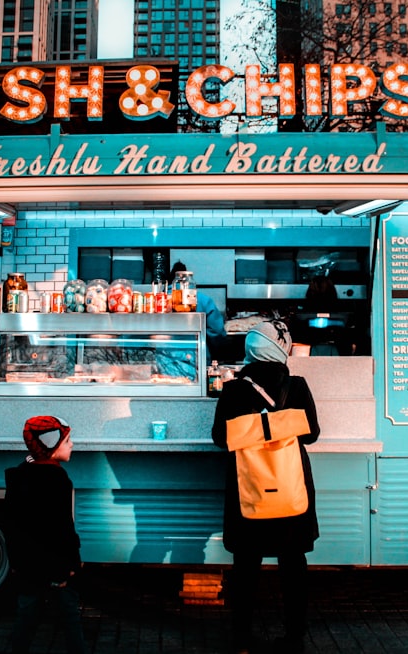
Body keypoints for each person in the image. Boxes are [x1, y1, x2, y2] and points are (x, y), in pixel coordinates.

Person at [211, 320, 320, 654]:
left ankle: (241, 638)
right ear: (280, 348)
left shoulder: (232, 389)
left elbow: (220, 438)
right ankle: (295, 637)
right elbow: (312, 433)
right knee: (293, 565)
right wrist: (280, 427)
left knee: (245, 567)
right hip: (290, 488)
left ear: (251, 348)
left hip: (250, 490)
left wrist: (253, 429)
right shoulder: (297, 386)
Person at [4, 416, 86, 654]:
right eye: (67, 440)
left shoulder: (20, 474)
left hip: (28, 566)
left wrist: (17, 562)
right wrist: (70, 564)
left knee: (26, 616)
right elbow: (62, 529)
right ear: (51, 445)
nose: (72, 445)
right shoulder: (57, 480)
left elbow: (12, 525)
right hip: (56, 567)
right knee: (70, 617)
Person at [170, 261, 228, 361]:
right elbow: (217, 331)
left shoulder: (160, 301)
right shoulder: (203, 300)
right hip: (196, 357)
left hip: (166, 357)